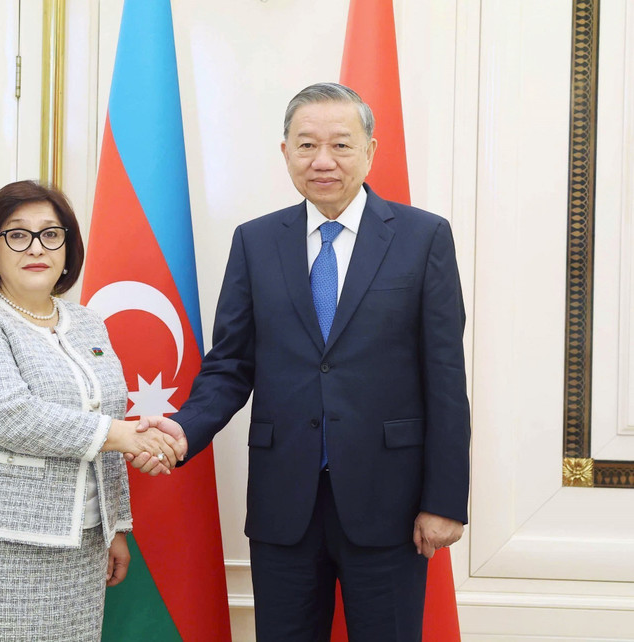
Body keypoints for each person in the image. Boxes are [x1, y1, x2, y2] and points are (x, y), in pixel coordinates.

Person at [135, 83, 471, 640]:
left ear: (370, 151)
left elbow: (445, 377)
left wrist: (445, 500)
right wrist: (179, 429)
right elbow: (230, 365)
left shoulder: (423, 237)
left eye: (341, 145)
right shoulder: (256, 241)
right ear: (285, 152)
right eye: (306, 144)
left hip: (390, 501)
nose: (322, 161)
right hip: (283, 503)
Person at [0, 180, 178, 641]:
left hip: (81, 544)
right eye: (17, 235)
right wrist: (123, 435)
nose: (36, 247)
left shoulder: (86, 323)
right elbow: (7, 414)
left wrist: (115, 527)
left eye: (51, 234)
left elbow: (107, 417)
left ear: (67, 249)